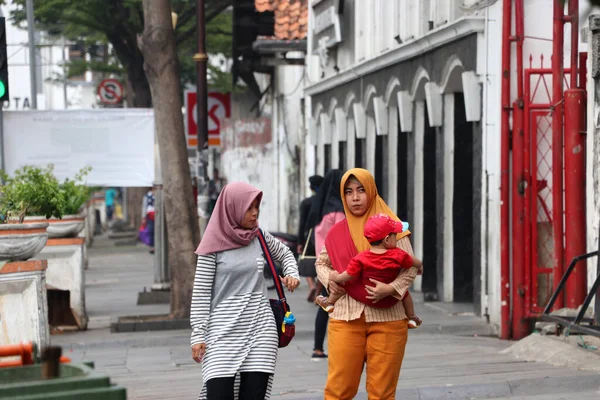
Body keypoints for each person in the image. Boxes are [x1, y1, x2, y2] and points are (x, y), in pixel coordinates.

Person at [315, 168, 421, 400]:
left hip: (389, 319)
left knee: (382, 393)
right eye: (349, 192)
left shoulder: (392, 230)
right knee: (338, 391)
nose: (355, 197)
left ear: (372, 191)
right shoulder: (336, 232)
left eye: (361, 190)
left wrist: (391, 288)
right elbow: (321, 264)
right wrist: (331, 280)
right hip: (345, 318)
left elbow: (410, 266)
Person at [191, 182, 301, 400]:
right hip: (222, 332)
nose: (254, 214)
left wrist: (292, 275)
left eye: (257, 207)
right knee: (218, 394)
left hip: (261, 328)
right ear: (232, 208)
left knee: (254, 395)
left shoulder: (259, 236)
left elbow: (286, 254)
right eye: (248, 208)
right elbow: (201, 293)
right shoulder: (212, 246)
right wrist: (197, 335)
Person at [317, 213, 423, 329]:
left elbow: (348, 274)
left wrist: (335, 278)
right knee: (405, 294)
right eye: (395, 235)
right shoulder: (398, 255)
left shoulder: (361, 258)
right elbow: (415, 263)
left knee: (345, 284)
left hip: (367, 293)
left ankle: (329, 302)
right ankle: (412, 317)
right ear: (387, 239)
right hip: (388, 296)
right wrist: (419, 266)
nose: (396, 237)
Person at [305, 169, 345, 361]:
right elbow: (344, 238)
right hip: (339, 266)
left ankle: (318, 348)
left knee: (325, 305)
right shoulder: (338, 211)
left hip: (322, 266)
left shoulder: (319, 211)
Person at [297, 174, 324, 302]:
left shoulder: (306, 203)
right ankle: (318, 291)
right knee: (323, 263)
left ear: (311, 187)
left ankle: (312, 285)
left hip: (309, 237)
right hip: (324, 236)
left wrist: (300, 242)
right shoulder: (325, 202)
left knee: (306, 262)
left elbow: (302, 224)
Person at [141, 188, 155, 254]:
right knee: (151, 230)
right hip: (150, 216)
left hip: (158, 215)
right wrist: (143, 217)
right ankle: (152, 245)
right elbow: (144, 206)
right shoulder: (147, 196)